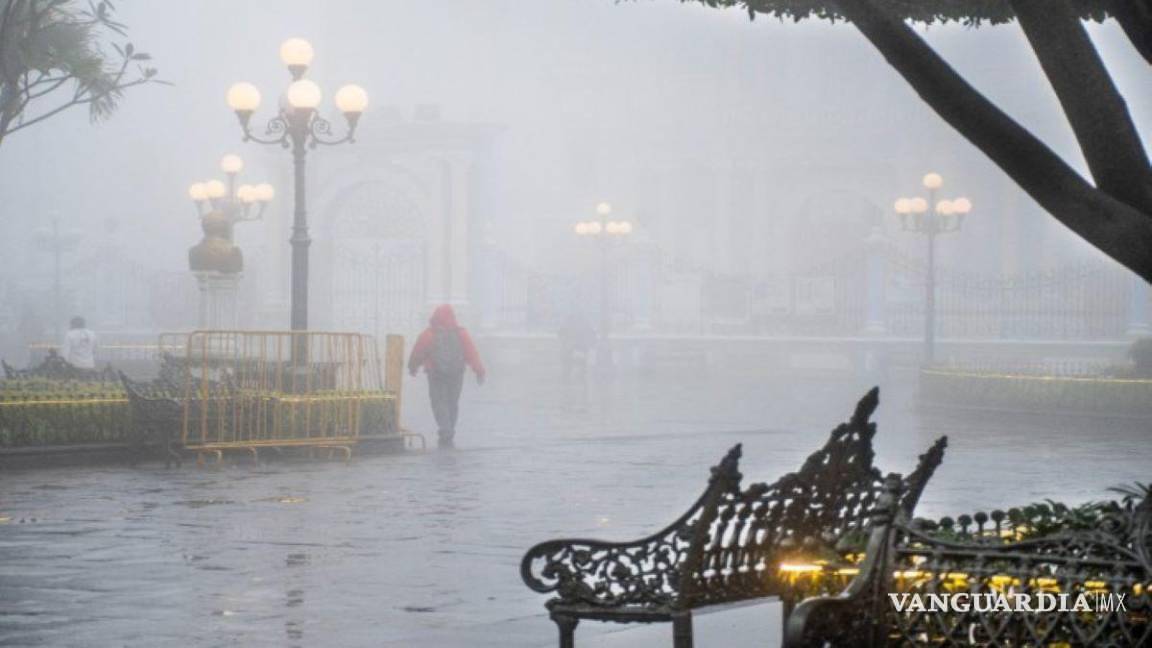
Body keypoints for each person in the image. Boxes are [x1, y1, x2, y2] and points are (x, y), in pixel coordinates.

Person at [408, 305, 485, 448]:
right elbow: (472, 353)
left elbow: (418, 352)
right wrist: (479, 371)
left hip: (435, 374)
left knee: (439, 402)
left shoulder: (429, 334)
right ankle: (450, 429)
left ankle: (445, 429)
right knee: (452, 402)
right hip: (456, 373)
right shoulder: (461, 334)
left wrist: (413, 367)